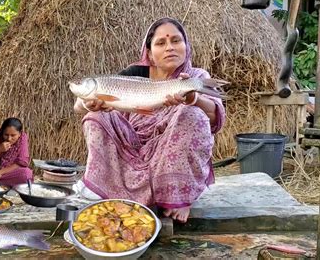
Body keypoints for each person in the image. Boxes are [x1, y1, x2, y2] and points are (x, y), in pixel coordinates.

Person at [72, 17, 226, 222]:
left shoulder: (195, 76)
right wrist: (88, 104)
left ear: (186, 47)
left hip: (168, 151)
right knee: (95, 116)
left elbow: (215, 115)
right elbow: (78, 107)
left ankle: (179, 195)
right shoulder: (133, 74)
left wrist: (194, 98)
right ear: (150, 54)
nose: (169, 47)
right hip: (133, 150)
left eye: (176, 41)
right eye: (161, 43)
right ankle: (113, 188)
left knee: (192, 113)